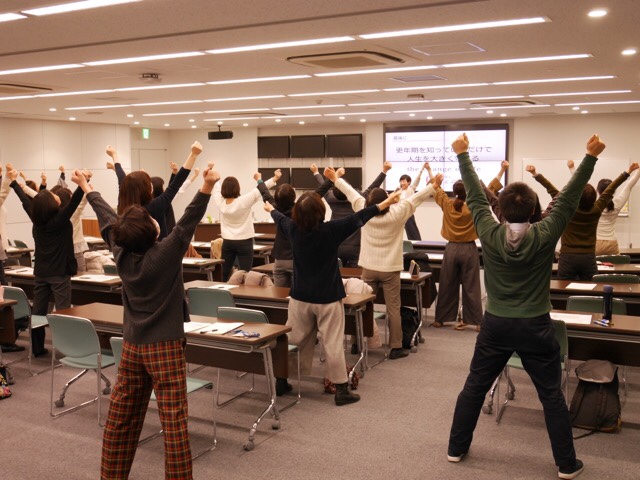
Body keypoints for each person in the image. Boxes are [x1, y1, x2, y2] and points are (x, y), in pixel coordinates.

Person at [447, 133, 607, 480]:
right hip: (536, 325)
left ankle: (456, 449)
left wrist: (463, 155)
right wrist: (589, 158)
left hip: (496, 324)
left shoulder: (488, 231)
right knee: (551, 395)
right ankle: (566, 465)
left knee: (474, 386)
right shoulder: (545, 233)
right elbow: (568, 199)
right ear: (535, 210)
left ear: (500, 210)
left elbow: (475, 194)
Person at [73, 165, 220, 480]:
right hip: (165, 347)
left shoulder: (120, 252)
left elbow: (105, 216)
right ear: (152, 231)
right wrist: (207, 185)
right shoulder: (165, 253)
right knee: (174, 423)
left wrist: (87, 186)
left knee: (120, 419)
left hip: (131, 346)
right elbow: (189, 220)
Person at [265, 170, 400, 405]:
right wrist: (384, 204)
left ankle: (282, 380)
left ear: (297, 213)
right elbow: (360, 217)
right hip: (327, 298)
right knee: (333, 343)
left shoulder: (293, 229)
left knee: (293, 339)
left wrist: (271, 209)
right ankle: (341, 390)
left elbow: (279, 217)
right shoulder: (331, 231)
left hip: (299, 298)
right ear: (321, 212)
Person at [329, 168, 438, 360]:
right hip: (390, 269)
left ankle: (356, 342)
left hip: (368, 268)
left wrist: (336, 179)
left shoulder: (364, 211)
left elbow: (350, 192)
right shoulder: (397, 213)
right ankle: (396, 347)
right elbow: (416, 198)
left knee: (361, 305)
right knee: (393, 307)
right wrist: (433, 186)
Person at [8, 166, 84, 357]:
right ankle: (68, 350)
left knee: (38, 313)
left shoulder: (36, 219)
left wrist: (14, 183)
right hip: (60, 274)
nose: (55, 196)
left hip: (41, 273)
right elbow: (75, 201)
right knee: (64, 313)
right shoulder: (60, 219)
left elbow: (25, 201)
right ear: (51, 204)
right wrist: (83, 183)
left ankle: (38, 349)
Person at [526, 163, 629, 280]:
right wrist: (626, 173)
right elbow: (610, 189)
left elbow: (551, 189)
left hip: (567, 257)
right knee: (592, 288)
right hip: (588, 257)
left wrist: (535, 174)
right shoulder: (597, 209)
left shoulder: (568, 208)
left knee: (563, 288)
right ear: (594, 198)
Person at [426, 163, 482, 331]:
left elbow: (436, 189)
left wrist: (429, 171)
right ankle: (477, 322)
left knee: (446, 284)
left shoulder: (448, 204)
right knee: (472, 286)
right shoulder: (473, 206)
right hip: (469, 249)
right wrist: (502, 171)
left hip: (451, 249)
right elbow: (489, 192)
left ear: (455, 191)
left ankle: (440, 319)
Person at [107, 142, 202, 240]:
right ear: (146, 188)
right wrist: (193, 155)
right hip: (158, 248)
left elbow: (121, 178)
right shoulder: (154, 206)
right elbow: (176, 183)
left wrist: (114, 155)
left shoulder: (123, 206)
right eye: (149, 183)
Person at [258, 169, 333, 288]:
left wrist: (259, 180)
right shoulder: (301, 209)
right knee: (297, 292)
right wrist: (332, 179)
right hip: (296, 257)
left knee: (279, 294)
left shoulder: (274, 208)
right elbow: (318, 193)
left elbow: (265, 193)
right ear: (293, 197)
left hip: (280, 259)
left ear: (276, 199)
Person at [311, 162, 391, 267]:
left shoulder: (330, 199)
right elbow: (373, 187)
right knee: (354, 275)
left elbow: (322, 187)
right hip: (355, 248)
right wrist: (384, 171)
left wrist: (316, 172)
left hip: (336, 245)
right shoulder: (358, 200)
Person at [214, 170, 278, 281]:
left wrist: (213, 175)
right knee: (246, 274)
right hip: (245, 242)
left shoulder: (221, 203)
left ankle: (224, 289)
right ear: (237, 188)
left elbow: (216, 189)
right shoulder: (243, 201)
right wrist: (274, 178)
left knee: (225, 273)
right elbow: (259, 189)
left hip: (228, 242)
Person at [567, 159, 640, 254]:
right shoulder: (618, 203)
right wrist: (638, 171)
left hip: (595, 243)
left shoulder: (593, 204)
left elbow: (580, 186)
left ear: (597, 190)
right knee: (619, 263)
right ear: (614, 190)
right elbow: (629, 186)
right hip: (611, 243)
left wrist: (572, 168)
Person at [399, 162, 427, 240]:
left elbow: (417, 179)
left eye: (404, 181)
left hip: (408, 214)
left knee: (412, 231)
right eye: (401, 181)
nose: (402, 183)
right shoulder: (398, 191)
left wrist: (422, 168)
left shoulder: (411, 188)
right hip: (399, 214)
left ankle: (418, 244)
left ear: (409, 182)